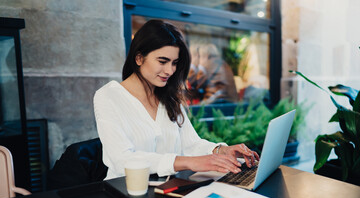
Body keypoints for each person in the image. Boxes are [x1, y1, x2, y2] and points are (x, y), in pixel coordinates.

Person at [94, 19, 259, 180]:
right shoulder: (108, 96)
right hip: (124, 192)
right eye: (162, 61)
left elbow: (191, 144)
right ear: (139, 58)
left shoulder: (169, 97)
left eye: (174, 63)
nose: (170, 71)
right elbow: (121, 160)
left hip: (166, 190)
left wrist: (220, 150)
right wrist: (188, 162)